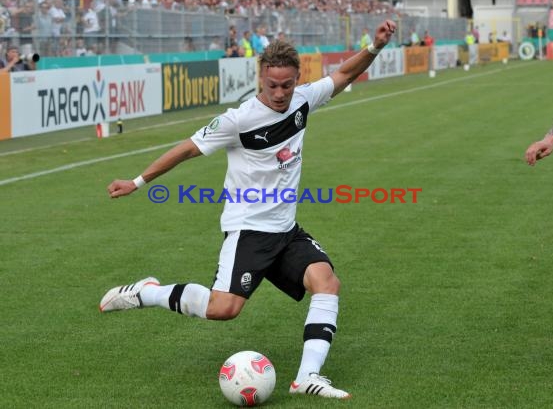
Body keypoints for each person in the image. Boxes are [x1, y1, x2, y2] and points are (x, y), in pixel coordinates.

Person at [100, 20, 397, 400]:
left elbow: (342, 74)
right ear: (260, 77)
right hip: (248, 231)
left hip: (286, 230)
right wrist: (137, 182)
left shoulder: (304, 100)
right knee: (223, 309)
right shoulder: (238, 120)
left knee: (327, 283)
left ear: (296, 79)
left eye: (286, 85)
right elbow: (186, 149)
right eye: (272, 85)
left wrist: (375, 46)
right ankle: (149, 292)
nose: (279, 93)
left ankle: (307, 376)